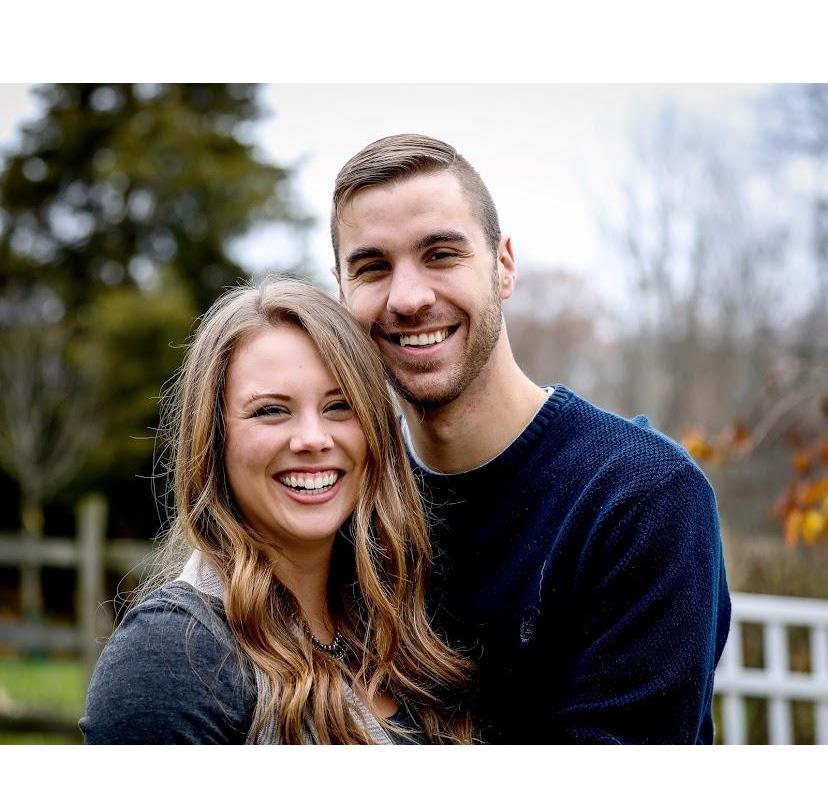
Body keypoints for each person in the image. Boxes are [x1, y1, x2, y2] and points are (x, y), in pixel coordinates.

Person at [330, 133, 732, 744]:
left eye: (440, 254)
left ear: (503, 265)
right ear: (342, 291)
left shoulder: (640, 499)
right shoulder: (341, 500)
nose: (408, 298)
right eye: (372, 267)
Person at [80, 277, 474, 744]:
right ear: (214, 439)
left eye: (339, 406)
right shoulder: (174, 654)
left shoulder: (401, 628)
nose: (313, 438)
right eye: (270, 411)